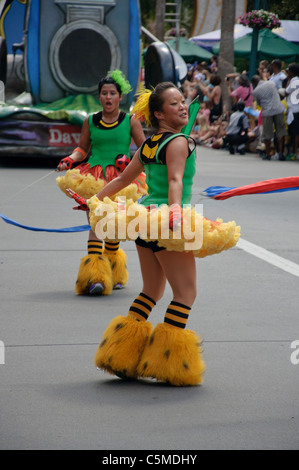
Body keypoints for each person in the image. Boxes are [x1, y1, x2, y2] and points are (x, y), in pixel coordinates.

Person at [69, 82, 240, 386]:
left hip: (144, 220)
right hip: (166, 221)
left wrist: (93, 201)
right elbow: (175, 180)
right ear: (159, 113)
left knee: (152, 291)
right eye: (174, 104)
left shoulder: (149, 144)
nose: (183, 107)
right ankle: (168, 363)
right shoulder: (180, 142)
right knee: (186, 294)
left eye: (182, 102)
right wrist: (175, 211)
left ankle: (119, 353)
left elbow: (122, 179)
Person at [56, 70, 146, 296]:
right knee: (96, 224)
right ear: (99, 97)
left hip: (121, 179)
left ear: (119, 97)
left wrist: (128, 161)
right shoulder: (90, 121)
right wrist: (69, 159)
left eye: (112, 93)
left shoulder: (130, 121)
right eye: (104, 93)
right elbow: (82, 149)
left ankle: (114, 271)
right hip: (93, 179)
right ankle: (95, 277)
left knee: (114, 227)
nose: (108, 97)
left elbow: (146, 151)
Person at [251, 75, 287, 160]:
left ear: (254, 83)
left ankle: (267, 154)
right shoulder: (271, 83)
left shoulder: (256, 91)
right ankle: (281, 153)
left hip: (267, 112)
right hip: (278, 109)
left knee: (268, 134)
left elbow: (259, 104)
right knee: (280, 132)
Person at [285, 63, 299, 160]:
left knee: (295, 133)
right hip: (296, 109)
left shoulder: (294, 80)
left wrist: (289, 79)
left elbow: (286, 91)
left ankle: (294, 152)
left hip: (294, 110)